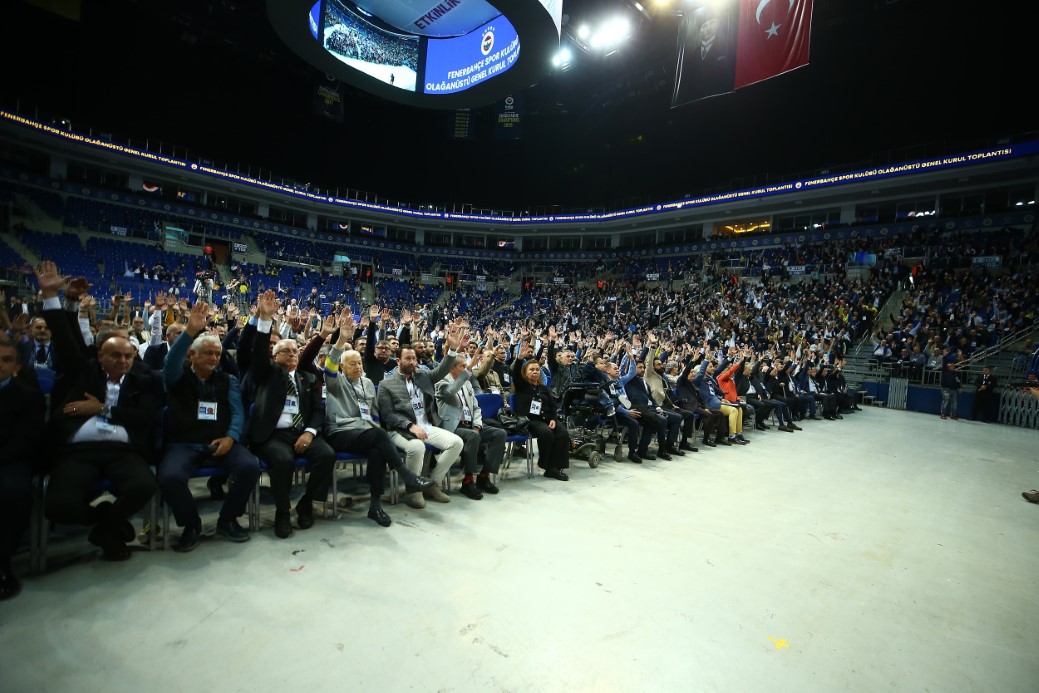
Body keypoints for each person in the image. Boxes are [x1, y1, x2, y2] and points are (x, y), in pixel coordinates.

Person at [35, 261, 158, 562]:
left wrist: (102, 409)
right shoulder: (83, 373)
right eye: (115, 355)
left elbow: (145, 419)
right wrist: (57, 298)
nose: (123, 361)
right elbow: (65, 342)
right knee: (57, 505)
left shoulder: (143, 381)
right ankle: (107, 521)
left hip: (123, 451)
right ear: (99, 355)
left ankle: (106, 527)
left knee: (144, 486)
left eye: (128, 356)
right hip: (78, 450)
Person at [159, 300, 261, 552]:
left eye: (217, 354)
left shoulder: (228, 380)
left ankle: (227, 519)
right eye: (208, 353)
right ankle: (191, 524)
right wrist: (189, 332)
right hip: (184, 443)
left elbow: (238, 413)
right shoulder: (177, 378)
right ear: (192, 355)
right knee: (169, 477)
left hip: (221, 441)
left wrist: (231, 438)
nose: (214, 358)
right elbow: (170, 363)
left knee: (250, 466)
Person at [323, 311, 435, 524]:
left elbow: (373, 413)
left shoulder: (367, 384)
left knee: (378, 451)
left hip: (365, 432)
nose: (358, 367)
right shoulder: (335, 382)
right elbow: (329, 367)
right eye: (353, 364)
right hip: (341, 432)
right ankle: (408, 476)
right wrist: (341, 341)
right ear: (342, 367)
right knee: (379, 436)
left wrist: (376, 427)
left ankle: (375, 506)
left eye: (360, 363)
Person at [244, 290, 335, 538]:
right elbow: (259, 354)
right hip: (273, 435)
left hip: (301, 432)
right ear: (274, 356)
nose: (293, 354)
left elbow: (318, 410)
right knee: (283, 461)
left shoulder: (306, 377)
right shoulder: (267, 373)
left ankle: (307, 503)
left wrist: (309, 432)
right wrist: (264, 321)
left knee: (327, 454)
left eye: (295, 351)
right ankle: (282, 512)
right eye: (286, 351)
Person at [376, 323, 465, 504]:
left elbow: (441, 370)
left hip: (426, 426)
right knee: (417, 447)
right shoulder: (386, 384)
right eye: (408, 359)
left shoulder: (422, 376)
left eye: (414, 359)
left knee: (456, 443)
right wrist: (410, 425)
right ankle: (414, 490)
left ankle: (432, 483)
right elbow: (388, 415)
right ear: (398, 360)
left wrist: (452, 350)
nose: (412, 362)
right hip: (398, 430)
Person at [0, 335, 45, 599]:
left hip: (10, 461)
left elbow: (27, 439)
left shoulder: (27, 396)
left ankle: (3, 561)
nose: (0, 365)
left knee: (12, 492)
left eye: (6, 361)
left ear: (16, 367)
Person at [435, 350, 507, 499]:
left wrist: (477, 424)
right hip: (453, 427)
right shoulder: (441, 383)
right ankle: (468, 482)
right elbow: (450, 391)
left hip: (470, 425)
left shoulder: (467, 384)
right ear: (452, 368)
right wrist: (468, 371)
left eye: (465, 366)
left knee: (500, 434)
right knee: (473, 436)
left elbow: (475, 407)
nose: (465, 369)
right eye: (462, 366)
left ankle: (484, 476)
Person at [511, 357, 571, 480]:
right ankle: (548, 466)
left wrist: (554, 419)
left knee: (563, 433)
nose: (535, 371)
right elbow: (515, 373)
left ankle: (556, 467)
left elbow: (553, 406)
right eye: (531, 369)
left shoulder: (543, 388)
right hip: (530, 420)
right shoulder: (521, 386)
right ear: (525, 372)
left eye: (537, 369)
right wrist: (520, 359)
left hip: (548, 419)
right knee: (547, 433)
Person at [673, 6, 735, 106]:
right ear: (699, 31)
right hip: (695, 106)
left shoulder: (727, 47)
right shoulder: (691, 57)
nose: (708, 28)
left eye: (712, 22)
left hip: (722, 102)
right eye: (704, 26)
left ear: (718, 24)